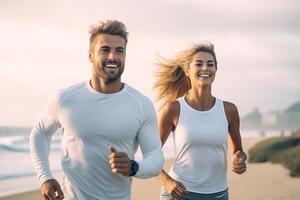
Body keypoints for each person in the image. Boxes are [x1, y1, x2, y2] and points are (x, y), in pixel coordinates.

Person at [30, 20, 164, 200]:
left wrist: (134, 167)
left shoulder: (141, 104)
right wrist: (44, 177)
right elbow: (40, 133)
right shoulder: (64, 99)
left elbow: (155, 156)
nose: (112, 57)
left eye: (119, 51)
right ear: (90, 55)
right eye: (105, 49)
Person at [153, 42, 247, 200]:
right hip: (179, 194)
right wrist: (167, 181)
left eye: (210, 64)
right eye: (199, 64)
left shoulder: (229, 110)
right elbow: (151, 154)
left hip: (218, 194)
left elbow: (238, 151)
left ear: (215, 70)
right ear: (187, 71)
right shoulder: (174, 109)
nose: (205, 68)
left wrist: (240, 160)